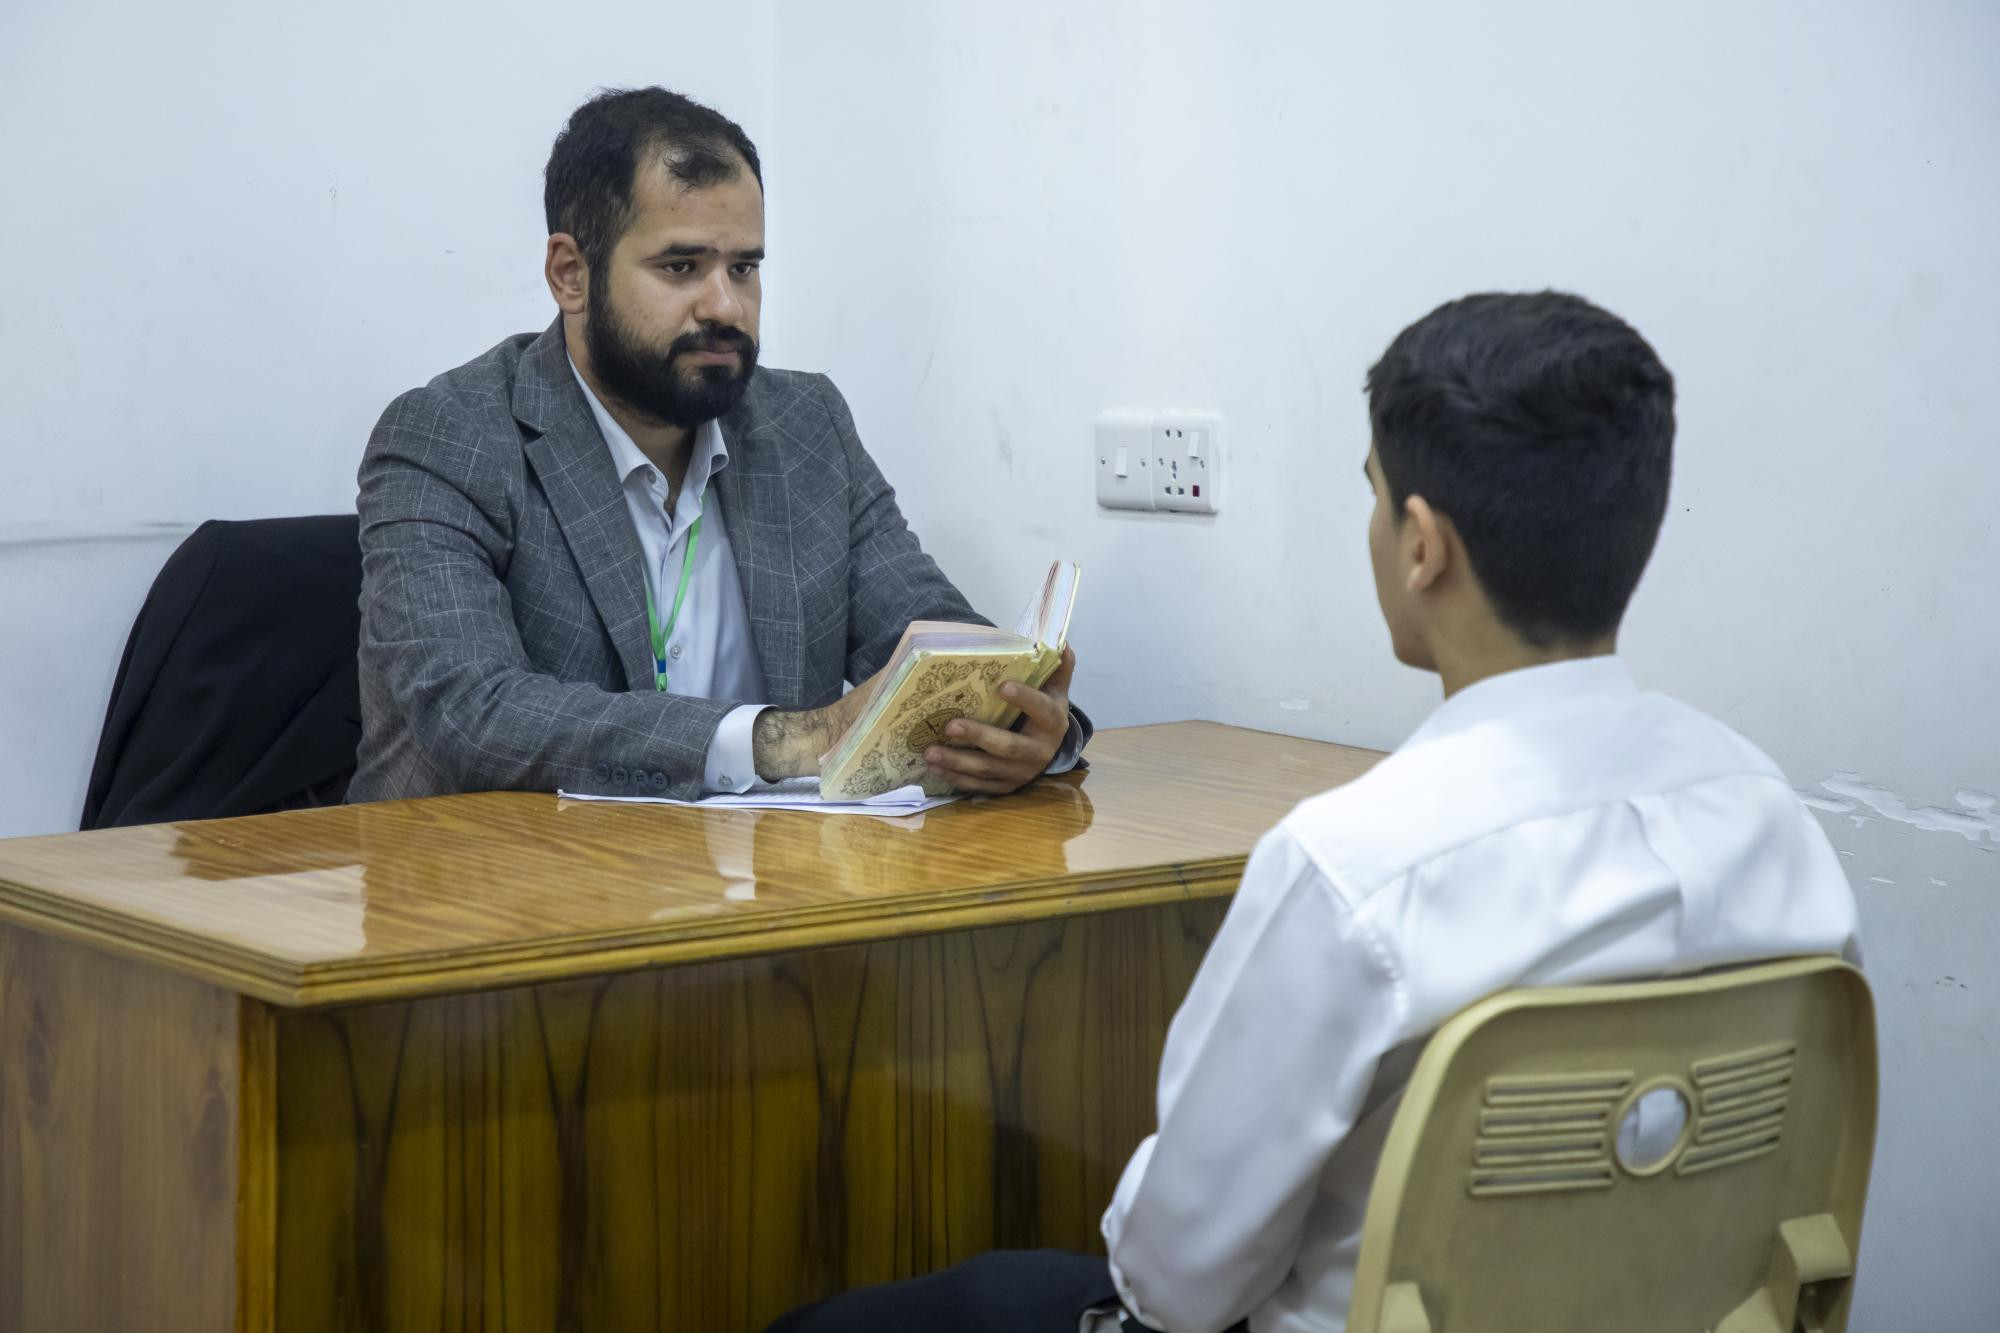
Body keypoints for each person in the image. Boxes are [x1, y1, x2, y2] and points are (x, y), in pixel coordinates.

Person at [762, 291, 1861, 1333]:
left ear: (1422, 544)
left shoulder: (1357, 868)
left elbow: (1172, 1282)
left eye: (1375, 494)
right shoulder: (1770, 819)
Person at [349, 88, 1087, 803]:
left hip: (756, 872)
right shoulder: (450, 438)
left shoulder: (806, 427)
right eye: (681, 268)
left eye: (744, 267)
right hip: (489, 872)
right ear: (571, 274)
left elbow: (931, 640)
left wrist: (1022, 724)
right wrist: (792, 739)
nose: (726, 305)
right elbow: (473, 712)